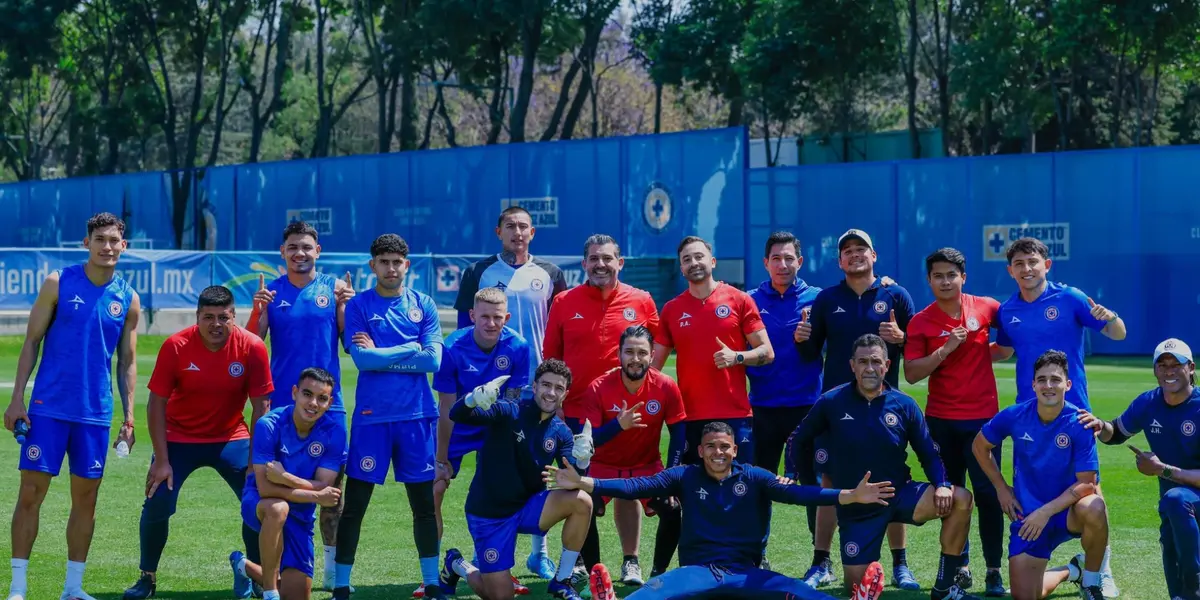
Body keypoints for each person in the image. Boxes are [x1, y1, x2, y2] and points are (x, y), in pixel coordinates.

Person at [544, 421, 895, 600]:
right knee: (656, 592)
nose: (718, 453)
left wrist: (849, 495)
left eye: (725, 447)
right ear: (699, 450)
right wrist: (588, 483)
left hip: (745, 573)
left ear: (735, 450)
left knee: (798, 591)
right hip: (698, 571)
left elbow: (801, 495)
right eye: (711, 447)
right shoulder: (685, 475)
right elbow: (639, 486)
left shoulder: (754, 477)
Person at [5, 213, 140, 600]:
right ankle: (17, 588)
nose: (107, 246)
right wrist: (18, 400)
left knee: (87, 500)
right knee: (30, 493)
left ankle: (73, 588)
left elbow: (127, 363)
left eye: (115, 240)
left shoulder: (127, 298)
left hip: (95, 415)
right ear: (86, 243)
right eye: (100, 239)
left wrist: (129, 417)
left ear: (123, 246)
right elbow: (31, 342)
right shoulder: (58, 282)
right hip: (48, 409)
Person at [787, 334, 978, 600]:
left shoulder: (904, 404)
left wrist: (942, 485)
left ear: (887, 365)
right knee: (857, 591)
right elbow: (799, 437)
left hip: (899, 494)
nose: (869, 368)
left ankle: (944, 588)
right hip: (857, 507)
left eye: (875, 361)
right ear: (852, 365)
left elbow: (929, 453)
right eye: (862, 361)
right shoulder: (832, 402)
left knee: (960, 499)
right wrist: (790, 473)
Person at [121, 285, 272, 599]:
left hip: (231, 436)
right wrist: (161, 461)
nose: (216, 324)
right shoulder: (176, 346)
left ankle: (256, 573)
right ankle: (147, 578)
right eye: (208, 317)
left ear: (234, 317)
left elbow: (261, 408)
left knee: (257, 500)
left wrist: (254, 463)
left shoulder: (253, 346)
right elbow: (156, 404)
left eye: (223, 317)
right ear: (197, 317)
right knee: (157, 499)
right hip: (179, 438)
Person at [993, 236, 1125, 595]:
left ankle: (1100, 570)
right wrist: (963, 349)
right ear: (1010, 271)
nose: (1027, 269)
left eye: (1033, 262)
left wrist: (1109, 317)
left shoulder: (1070, 298)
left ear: (1046, 265)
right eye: (1019, 264)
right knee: (1032, 483)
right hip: (1029, 417)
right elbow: (1003, 349)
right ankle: (1065, 564)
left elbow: (1117, 332)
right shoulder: (1007, 311)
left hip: (1075, 413)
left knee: (1091, 490)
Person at [794, 229, 918, 590]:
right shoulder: (827, 298)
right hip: (837, 409)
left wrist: (903, 339)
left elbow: (916, 347)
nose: (854, 255)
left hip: (886, 408)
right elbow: (810, 352)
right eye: (847, 251)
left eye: (860, 249)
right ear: (840, 261)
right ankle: (821, 561)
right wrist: (801, 338)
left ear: (874, 255)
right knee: (830, 480)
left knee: (891, 481)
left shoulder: (896, 295)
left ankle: (900, 565)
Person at [453, 205, 568, 578]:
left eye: (523, 227)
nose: (517, 232)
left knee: (541, 465)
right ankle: (486, 551)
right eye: (510, 226)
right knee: (494, 464)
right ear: (497, 230)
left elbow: (561, 327)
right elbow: (462, 331)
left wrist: (555, 383)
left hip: (542, 387)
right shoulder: (479, 272)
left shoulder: (550, 273)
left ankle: (540, 553)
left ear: (532, 233)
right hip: (496, 391)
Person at [651, 235, 774, 576]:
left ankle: (755, 556)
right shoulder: (672, 309)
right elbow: (653, 369)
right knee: (686, 496)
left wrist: (736, 356)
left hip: (735, 416)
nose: (694, 263)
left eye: (699, 256)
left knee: (747, 492)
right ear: (681, 268)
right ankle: (673, 567)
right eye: (687, 259)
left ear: (713, 260)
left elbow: (766, 352)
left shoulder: (738, 300)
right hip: (689, 420)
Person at [333, 234, 445, 599]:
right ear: (373, 266)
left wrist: (385, 353)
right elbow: (362, 359)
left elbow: (433, 361)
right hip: (372, 418)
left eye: (397, 261)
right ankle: (341, 584)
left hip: (416, 418)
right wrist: (410, 347)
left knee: (423, 508)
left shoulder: (423, 304)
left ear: (406, 265)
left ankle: (430, 583)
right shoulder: (360, 306)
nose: (391, 268)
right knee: (355, 507)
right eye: (384, 261)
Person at [245, 220, 355, 591]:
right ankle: (268, 569)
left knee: (330, 491)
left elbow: (348, 342)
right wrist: (256, 311)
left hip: (329, 405)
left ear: (317, 252)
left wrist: (345, 308)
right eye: (293, 247)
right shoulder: (272, 294)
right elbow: (252, 343)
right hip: (283, 408)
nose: (300, 253)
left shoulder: (334, 289)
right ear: (283, 252)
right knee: (272, 491)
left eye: (307, 247)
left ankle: (329, 568)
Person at [543, 234, 660, 583]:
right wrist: (557, 407)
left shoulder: (642, 300)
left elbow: (656, 352)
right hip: (578, 415)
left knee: (627, 485)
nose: (600, 264)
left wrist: (650, 396)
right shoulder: (564, 301)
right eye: (594, 258)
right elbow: (552, 357)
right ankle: (585, 562)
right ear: (583, 264)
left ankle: (630, 561)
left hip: (629, 414)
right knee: (580, 489)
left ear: (619, 263)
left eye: (607, 258)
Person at [438, 359, 594, 600]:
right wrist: (473, 398)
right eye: (546, 385)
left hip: (528, 507)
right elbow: (457, 414)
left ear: (565, 393)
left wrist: (583, 461)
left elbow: (573, 478)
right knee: (500, 596)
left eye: (559, 388)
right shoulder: (509, 410)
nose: (551, 393)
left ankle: (562, 581)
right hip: (490, 514)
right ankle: (457, 564)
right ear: (534, 386)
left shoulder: (561, 432)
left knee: (582, 501)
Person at [903, 248, 1007, 596]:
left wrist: (983, 351)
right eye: (938, 276)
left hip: (983, 422)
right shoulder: (920, 321)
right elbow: (913, 374)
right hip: (942, 422)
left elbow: (1006, 346)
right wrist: (945, 350)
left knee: (989, 496)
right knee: (950, 498)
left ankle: (994, 570)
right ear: (929, 280)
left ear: (964, 277)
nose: (945, 281)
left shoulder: (987, 307)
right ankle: (959, 566)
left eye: (952, 275)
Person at [972, 350, 1109, 600]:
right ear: (1033, 384)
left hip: (1067, 513)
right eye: (1042, 379)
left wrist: (1045, 513)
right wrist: (1002, 488)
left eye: (1055, 379)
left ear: (1067, 384)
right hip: (1028, 517)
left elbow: (1088, 483)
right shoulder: (1014, 415)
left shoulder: (1080, 422)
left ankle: (1091, 583)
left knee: (1095, 506)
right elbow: (979, 446)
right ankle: (1070, 571)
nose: (1049, 385)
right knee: (1025, 596)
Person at [1076, 338, 1200, 599]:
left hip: (1183, 501)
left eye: (1176, 365)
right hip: (1175, 510)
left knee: (1176, 499)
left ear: (1190, 368)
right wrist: (1100, 426)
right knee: (1171, 538)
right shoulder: (1148, 403)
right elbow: (1117, 433)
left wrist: (1162, 470)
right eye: (1162, 365)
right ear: (1154, 370)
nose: (1168, 371)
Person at [430, 287, 532, 598]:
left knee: (508, 494)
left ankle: (495, 565)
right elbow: (446, 407)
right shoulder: (452, 346)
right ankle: (431, 571)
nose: (490, 323)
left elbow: (514, 407)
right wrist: (442, 458)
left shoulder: (518, 346)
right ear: (472, 315)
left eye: (497, 317)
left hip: (497, 428)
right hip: (460, 425)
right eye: (484, 316)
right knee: (434, 489)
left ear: (507, 318)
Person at [576, 326, 687, 593]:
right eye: (629, 352)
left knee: (673, 508)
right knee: (581, 506)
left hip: (647, 466)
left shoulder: (665, 386)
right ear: (618, 354)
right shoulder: (598, 387)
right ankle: (596, 574)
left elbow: (679, 433)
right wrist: (618, 425)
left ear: (652, 356)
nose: (635, 359)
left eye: (642, 353)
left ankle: (657, 574)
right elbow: (587, 442)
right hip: (603, 466)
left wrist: (671, 476)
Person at [229, 367, 348, 600]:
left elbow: (325, 487)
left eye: (322, 398)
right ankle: (270, 593)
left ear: (330, 402)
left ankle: (243, 566)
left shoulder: (335, 432)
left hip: (301, 514)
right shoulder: (269, 424)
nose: (313, 403)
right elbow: (266, 488)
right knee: (278, 508)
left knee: (296, 595)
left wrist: (285, 477)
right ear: (294, 393)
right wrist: (315, 495)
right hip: (261, 503)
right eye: (307, 394)